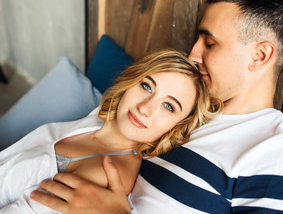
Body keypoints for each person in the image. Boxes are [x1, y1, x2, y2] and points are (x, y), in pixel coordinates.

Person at [31, 0, 283, 214]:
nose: (193, 55)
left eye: (210, 43)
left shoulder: (279, 156)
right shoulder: (175, 108)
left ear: (260, 55)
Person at [0, 49, 222, 213]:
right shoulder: (103, 118)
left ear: (176, 128)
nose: (144, 108)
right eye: (146, 86)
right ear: (131, 83)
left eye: (168, 106)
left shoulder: (107, 174)